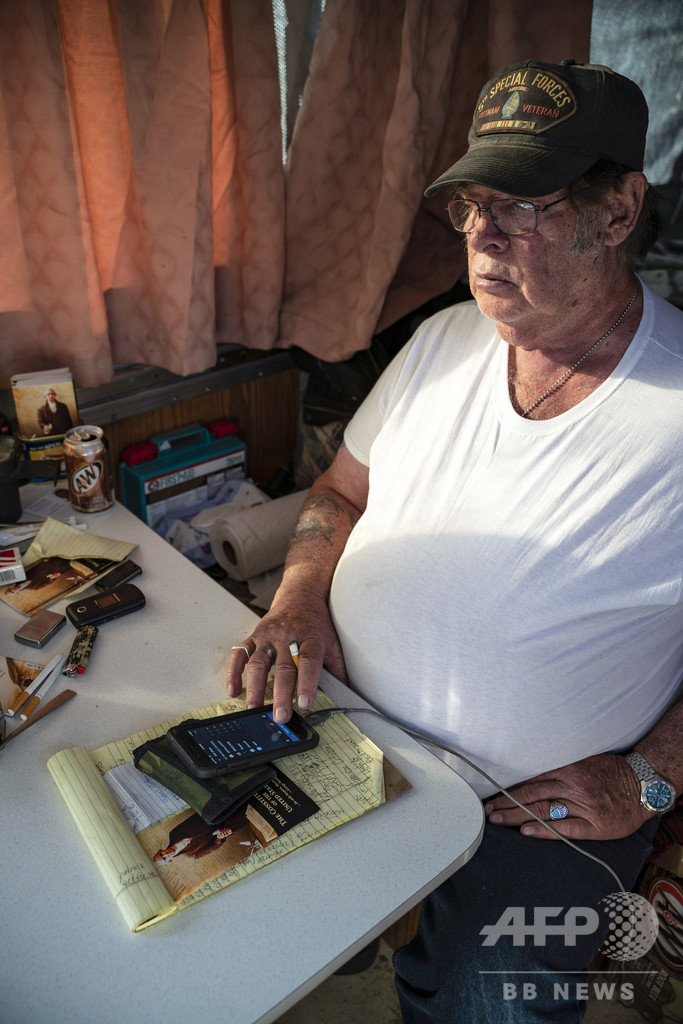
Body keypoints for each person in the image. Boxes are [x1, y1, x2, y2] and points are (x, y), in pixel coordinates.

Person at [227, 58, 683, 1022]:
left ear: (617, 211)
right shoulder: (440, 341)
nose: (481, 235)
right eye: (471, 205)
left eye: (521, 206)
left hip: (538, 815)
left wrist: (648, 780)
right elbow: (339, 491)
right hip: (337, 730)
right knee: (218, 908)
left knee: (487, 1005)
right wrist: (297, 597)